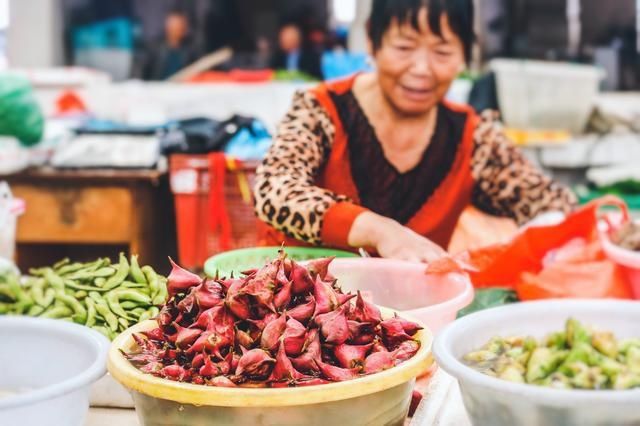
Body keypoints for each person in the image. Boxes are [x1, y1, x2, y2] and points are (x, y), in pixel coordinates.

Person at [254, 0, 576, 263]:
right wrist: (378, 230)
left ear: (465, 54)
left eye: (442, 52)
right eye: (404, 47)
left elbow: (550, 204)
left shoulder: (474, 138)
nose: (421, 69)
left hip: (410, 325)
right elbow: (274, 188)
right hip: (290, 319)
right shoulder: (321, 108)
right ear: (372, 41)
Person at [138, 10, 198, 80]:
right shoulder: (154, 48)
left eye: (178, 27)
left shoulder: (190, 50)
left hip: (181, 88)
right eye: (172, 27)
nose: (174, 30)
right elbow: (143, 73)